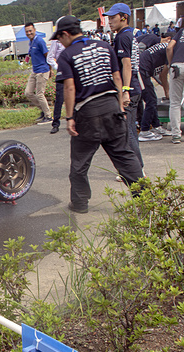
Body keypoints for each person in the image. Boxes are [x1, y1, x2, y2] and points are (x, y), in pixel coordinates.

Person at [54, 15, 143, 214]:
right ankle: (145, 198)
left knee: (80, 162)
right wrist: (120, 106)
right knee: (124, 155)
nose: (60, 43)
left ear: (65, 34)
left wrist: (70, 118)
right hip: (112, 107)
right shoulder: (104, 46)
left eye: (59, 38)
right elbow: (117, 77)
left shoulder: (67, 55)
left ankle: (80, 203)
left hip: (87, 113)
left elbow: (69, 88)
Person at [105, 3, 143, 167]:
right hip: (134, 87)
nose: (110, 21)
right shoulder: (128, 34)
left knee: (127, 132)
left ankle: (137, 169)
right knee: (130, 130)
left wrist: (125, 90)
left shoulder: (123, 37)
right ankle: (137, 167)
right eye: (109, 18)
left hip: (129, 89)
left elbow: (126, 65)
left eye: (113, 17)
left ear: (124, 17)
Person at [138, 35, 173, 141]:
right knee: (151, 100)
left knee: (151, 99)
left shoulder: (164, 47)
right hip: (141, 71)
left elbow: (159, 76)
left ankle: (156, 126)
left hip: (143, 70)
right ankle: (144, 131)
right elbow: (163, 75)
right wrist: (167, 91)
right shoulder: (170, 50)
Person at [24, 23, 53, 124]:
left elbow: (47, 55)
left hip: (42, 70)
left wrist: (50, 69)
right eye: (27, 31)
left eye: (30, 31)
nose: (29, 33)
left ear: (34, 30)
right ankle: (43, 110)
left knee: (40, 94)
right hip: (35, 70)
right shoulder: (31, 42)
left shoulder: (40, 41)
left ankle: (48, 116)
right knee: (28, 93)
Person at [47, 38, 66, 134]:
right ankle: (55, 124)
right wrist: (58, 67)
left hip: (73, 71)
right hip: (62, 72)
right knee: (59, 98)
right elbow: (50, 57)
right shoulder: (56, 41)